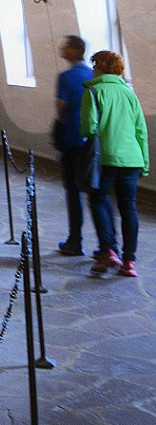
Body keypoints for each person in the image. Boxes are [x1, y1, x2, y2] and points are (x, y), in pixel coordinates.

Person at [82, 50, 148, 277]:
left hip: (106, 158)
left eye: (94, 65)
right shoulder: (129, 93)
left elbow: (89, 128)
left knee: (98, 200)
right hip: (132, 159)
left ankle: (108, 250)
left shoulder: (92, 90)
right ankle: (129, 261)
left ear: (100, 67)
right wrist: (145, 164)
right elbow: (141, 131)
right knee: (128, 207)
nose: (92, 69)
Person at [55, 35, 94, 255]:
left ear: (73, 50)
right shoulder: (93, 76)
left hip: (71, 140)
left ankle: (75, 240)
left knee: (72, 191)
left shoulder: (65, 77)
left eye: (65, 45)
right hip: (91, 142)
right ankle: (108, 247)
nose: (62, 48)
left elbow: (62, 107)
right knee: (97, 194)